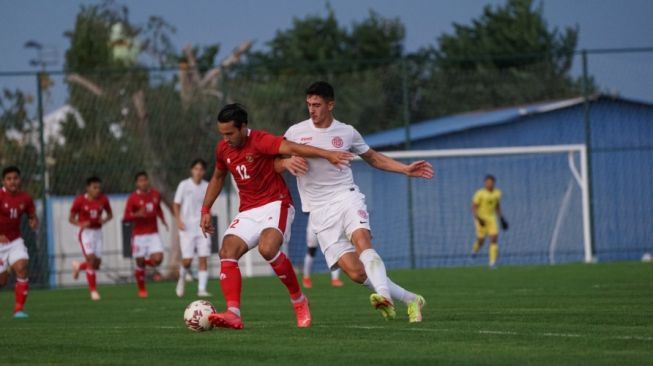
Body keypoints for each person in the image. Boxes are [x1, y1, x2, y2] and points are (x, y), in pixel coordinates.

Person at [278, 81, 433, 322]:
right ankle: (412, 299)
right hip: (319, 211)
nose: (312, 110)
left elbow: (373, 158)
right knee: (356, 273)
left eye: (317, 105)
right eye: (308, 104)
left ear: (331, 105)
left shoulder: (347, 132)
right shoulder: (295, 132)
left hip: (346, 196)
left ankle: (384, 296)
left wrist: (404, 169)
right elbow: (273, 161)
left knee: (362, 240)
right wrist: (285, 163)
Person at [200, 103, 353, 330]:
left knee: (268, 249)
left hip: (276, 203)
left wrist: (327, 154)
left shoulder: (261, 140)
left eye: (230, 133)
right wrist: (205, 209)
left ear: (243, 127)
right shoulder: (223, 148)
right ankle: (233, 313)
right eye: (222, 134)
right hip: (249, 209)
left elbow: (293, 147)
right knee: (227, 250)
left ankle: (299, 300)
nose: (226, 139)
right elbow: (218, 177)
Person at [0, 166, 38, 318]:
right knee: (1, 282)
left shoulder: (26, 198)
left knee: (22, 267)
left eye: (15, 178)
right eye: (9, 179)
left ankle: (19, 309)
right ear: (4, 181)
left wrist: (33, 221)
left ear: (20, 180)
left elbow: (32, 215)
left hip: (15, 240)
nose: (12, 181)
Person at [123, 171, 168, 298]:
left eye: (145, 180)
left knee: (158, 259)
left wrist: (163, 219)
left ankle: (142, 267)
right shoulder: (132, 198)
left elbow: (158, 208)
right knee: (140, 261)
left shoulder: (155, 194)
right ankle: (142, 289)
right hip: (138, 235)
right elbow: (125, 217)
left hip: (153, 233)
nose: (143, 182)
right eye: (140, 180)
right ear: (136, 183)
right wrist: (137, 214)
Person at [70, 176, 113, 300]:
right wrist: (80, 223)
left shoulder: (103, 199)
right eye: (94, 187)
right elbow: (71, 218)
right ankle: (93, 291)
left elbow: (110, 214)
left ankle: (79, 266)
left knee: (96, 264)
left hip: (98, 232)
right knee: (91, 259)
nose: (97, 190)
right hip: (85, 232)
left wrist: (104, 220)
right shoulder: (79, 201)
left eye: (99, 187)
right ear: (87, 188)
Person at [173, 158, 211, 298]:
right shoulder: (184, 185)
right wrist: (178, 220)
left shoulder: (207, 186)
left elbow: (208, 206)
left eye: (201, 169)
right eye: (196, 169)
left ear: (204, 172)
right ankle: (182, 279)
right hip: (186, 227)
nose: (198, 172)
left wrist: (208, 220)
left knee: (203, 257)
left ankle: (201, 289)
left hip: (202, 226)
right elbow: (176, 204)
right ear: (192, 170)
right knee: (188, 260)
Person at [471, 175, 508, 268]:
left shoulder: (497, 193)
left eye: (491, 182)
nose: (489, 184)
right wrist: (478, 218)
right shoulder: (479, 193)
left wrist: (502, 218)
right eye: (487, 182)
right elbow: (474, 207)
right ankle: (474, 250)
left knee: (494, 239)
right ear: (485, 183)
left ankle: (492, 262)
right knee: (481, 241)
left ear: (493, 183)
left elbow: (497, 206)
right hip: (481, 218)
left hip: (491, 219)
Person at [302, 221, 343, 289]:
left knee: (333, 249)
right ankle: (306, 278)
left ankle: (335, 279)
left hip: (327, 224)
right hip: (313, 225)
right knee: (312, 250)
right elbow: (306, 212)